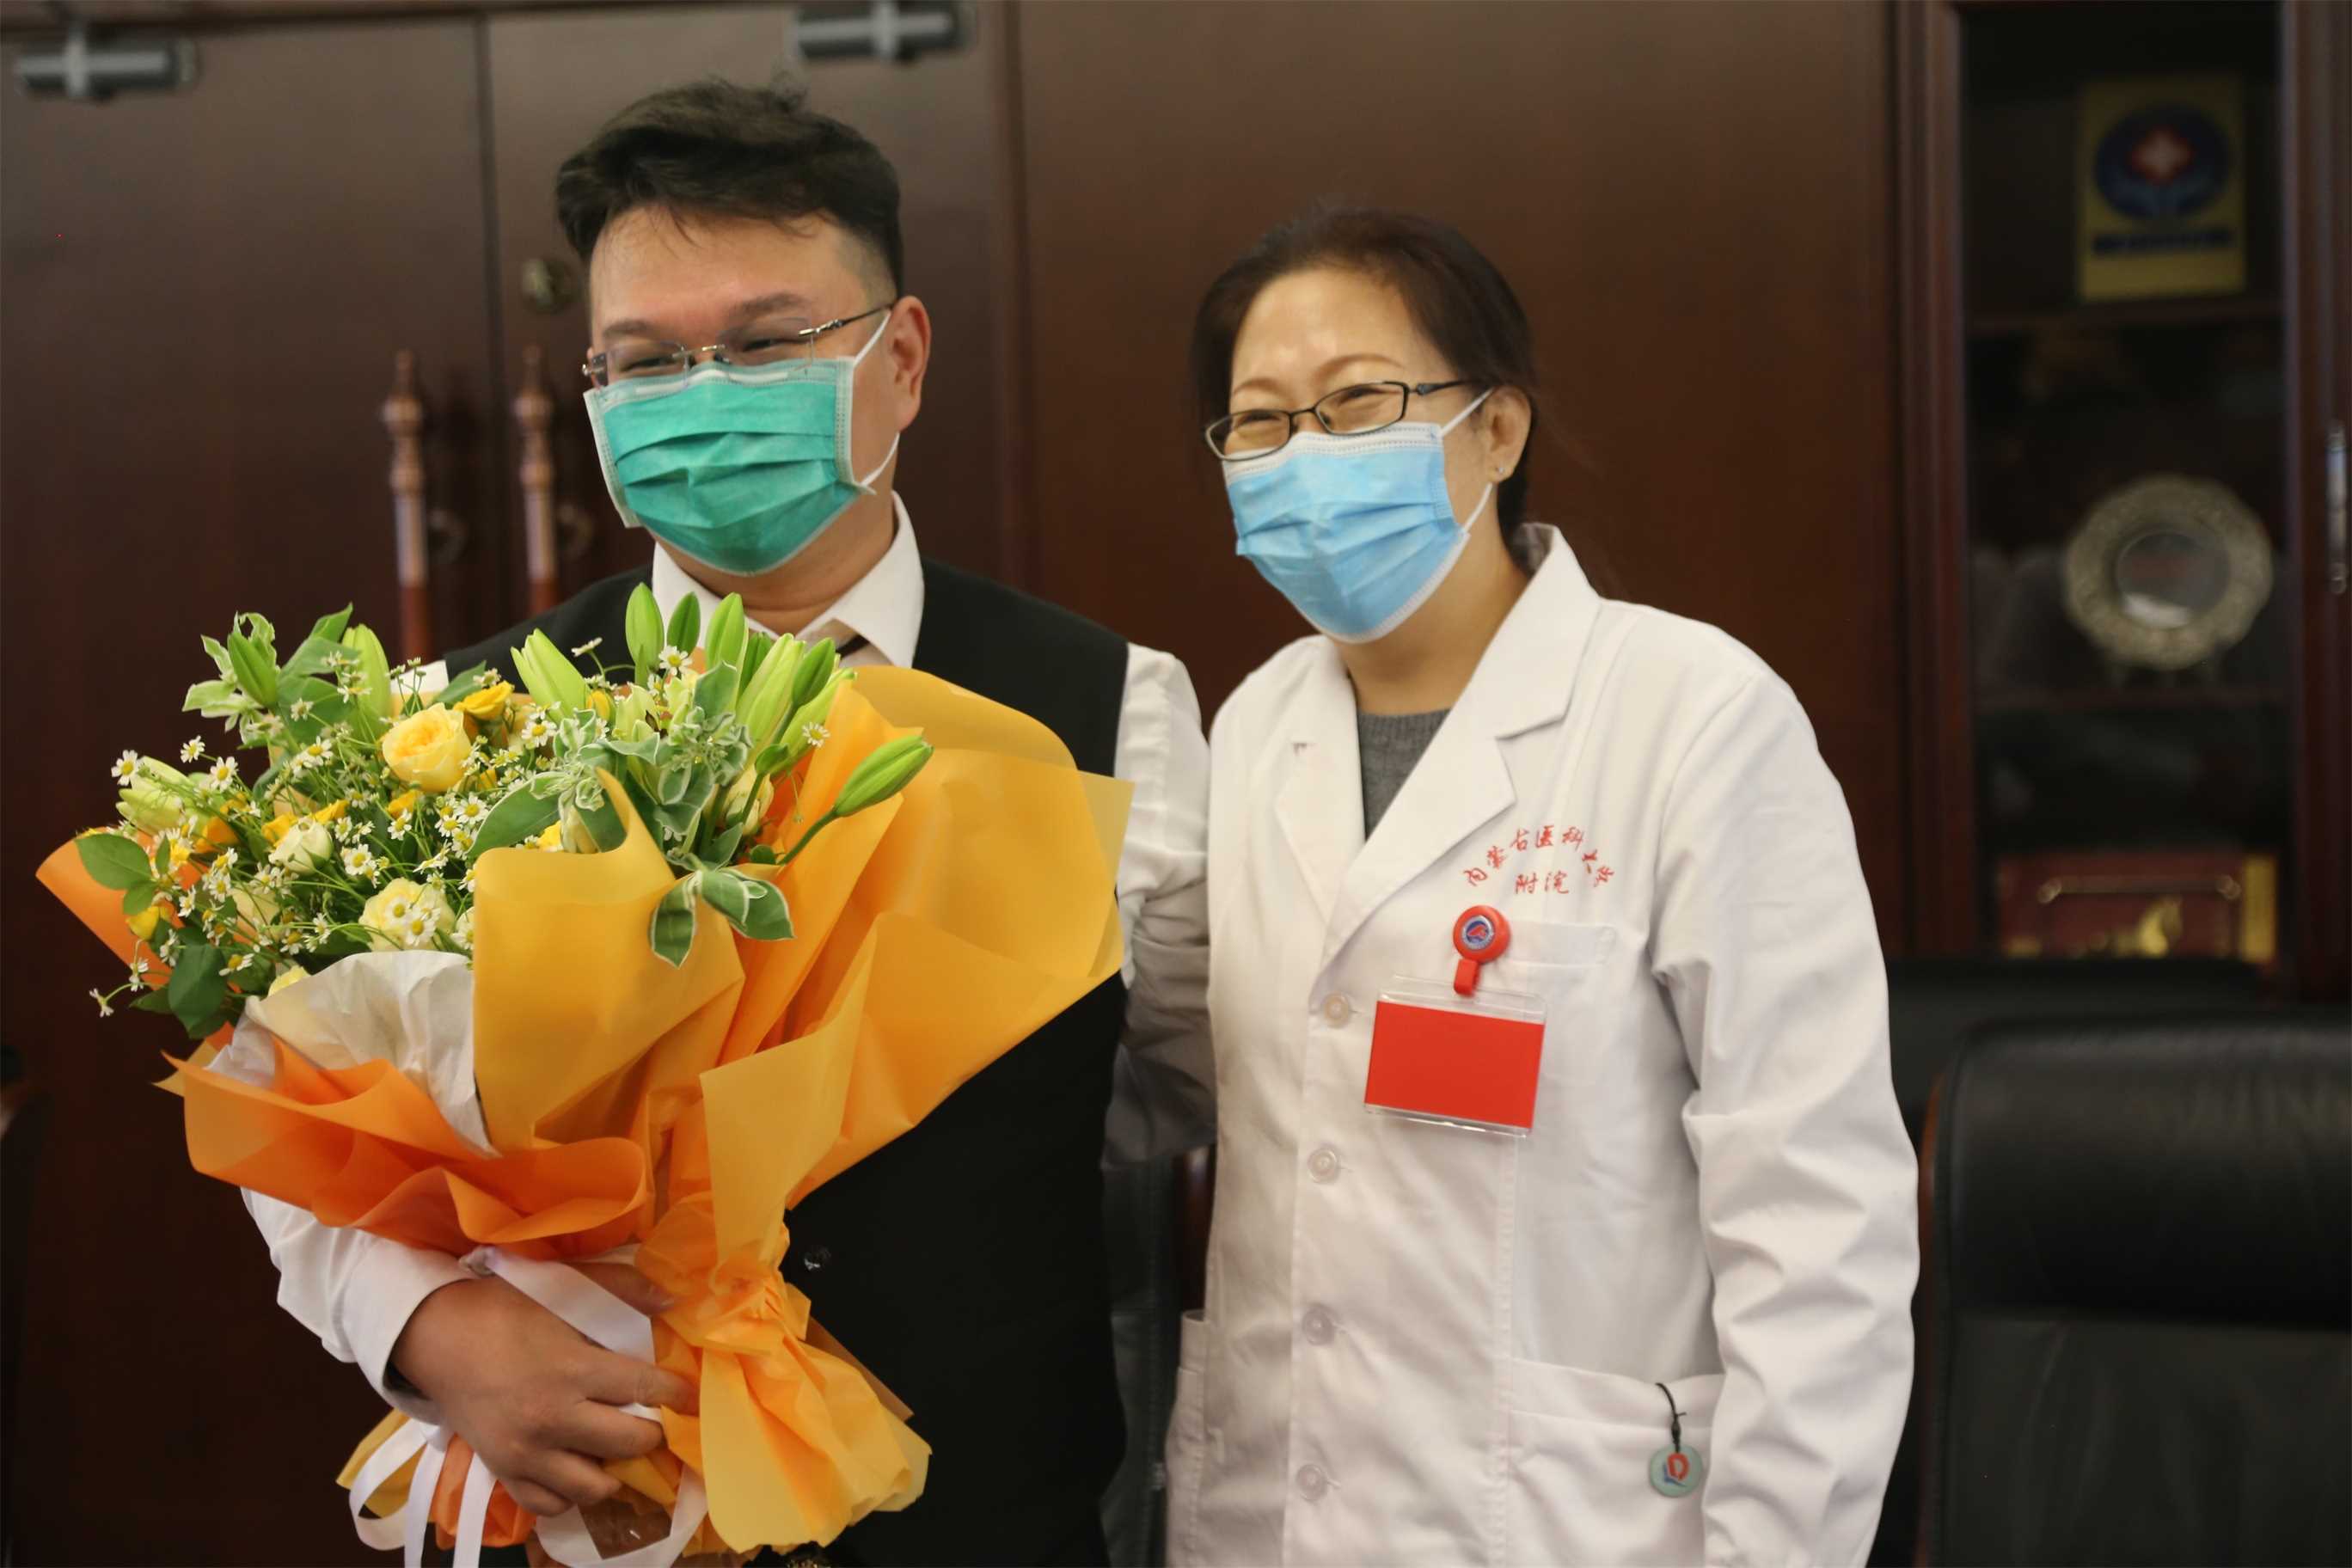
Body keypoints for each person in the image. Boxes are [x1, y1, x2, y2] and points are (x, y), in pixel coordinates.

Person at [245, 80, 1213, 1567]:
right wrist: (428, 1323)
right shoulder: (456, 728)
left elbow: (1185, 1092)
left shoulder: (1111, 705)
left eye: (765, 345)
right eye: (648, 361)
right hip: (605, 1519)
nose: (706, 395)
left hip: (985, 1518)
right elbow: (302, 1112)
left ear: (901, 359)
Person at [1166, 206, 1917, 1566]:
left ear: (1498, 430)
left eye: (1357, 403)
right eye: (1262, 424)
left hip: (1576, 1520)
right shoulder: (1256, 722)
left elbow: (1818, 1228)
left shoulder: (1691, 714)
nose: (1306, 456)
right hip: (1275, 1505)